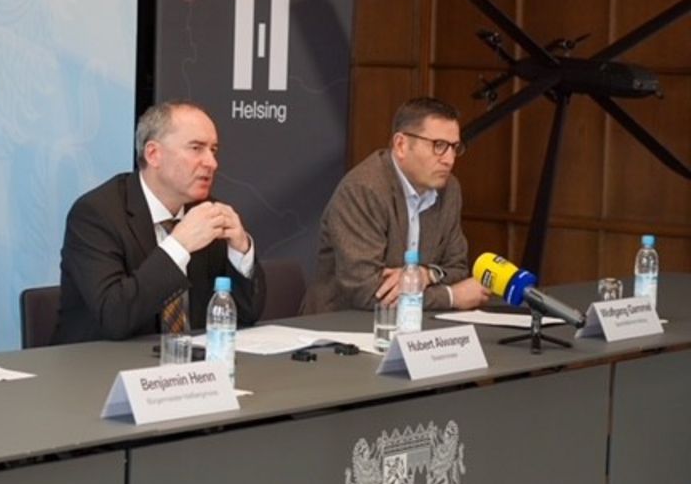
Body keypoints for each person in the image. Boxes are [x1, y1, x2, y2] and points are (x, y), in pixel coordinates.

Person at [54, 100, 266, 343]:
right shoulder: (96, 215)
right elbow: (114, 317)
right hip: (98, 368)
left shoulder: (205, 212)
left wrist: (241, 250)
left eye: (213, 150)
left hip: (188, 368)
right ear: (153, 154)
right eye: (196, 148)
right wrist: (179, 246)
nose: (211, 163)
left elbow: (246, 315)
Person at [302, 97, 489, 314]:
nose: (449, 159)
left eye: (454, 147)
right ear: (401, 145)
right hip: (340, 327)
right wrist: (450, 296)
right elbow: (367, 292)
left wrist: (426, 274)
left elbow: (457, 267)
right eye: (439, 146)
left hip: (416, 328)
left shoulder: (449, 189)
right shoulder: (364, 189)